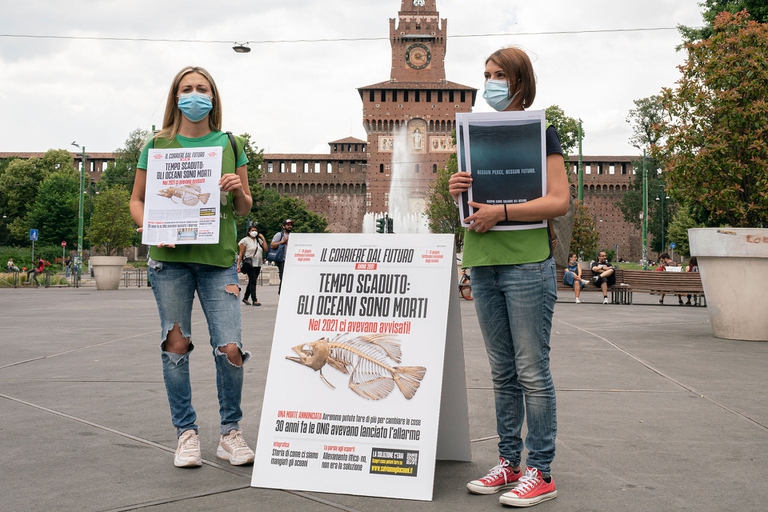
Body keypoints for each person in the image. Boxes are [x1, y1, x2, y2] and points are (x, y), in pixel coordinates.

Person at [449, 47, 568, 508]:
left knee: (532, 371)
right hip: (483, 259)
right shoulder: (469, 135)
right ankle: (509, 463)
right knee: (502, 372)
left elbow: (559, 200)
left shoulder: (544, 133)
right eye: (486, 75)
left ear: (520, 81)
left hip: (526, 260)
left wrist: (502, 211)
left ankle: (541, 471)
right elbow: (468, 208)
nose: (490, 83)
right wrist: (456, 190)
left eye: (500, 75)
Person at [129, 66, 255, 468]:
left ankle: (230, 433)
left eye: (202, 89)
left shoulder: (230, 143)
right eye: (187, 89)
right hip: (170, 263)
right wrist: (151, 226)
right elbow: (137, 200)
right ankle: (186, 433)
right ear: (175, 96)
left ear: (213, 97)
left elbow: (245, 206)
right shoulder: (155, 143)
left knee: (230, 348)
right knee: (176, 347)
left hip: (218, 262)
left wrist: (239, 190)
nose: (195, 95)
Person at [238, 224, 267, 306]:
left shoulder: (259, 241)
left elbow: (265, 249)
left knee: (252, 281)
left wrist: (263, 238)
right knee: (253, 281)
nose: (254, 232)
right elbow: (241, 253)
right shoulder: (244, 240)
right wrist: (238, 264)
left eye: (256, 230)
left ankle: (245, 298)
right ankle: (254, 300)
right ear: (249, 232)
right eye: (252, 230)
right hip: (250, 264)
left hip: (258, 263)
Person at [270, 219, 292, 295]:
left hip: (291, 260)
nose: (290, 226)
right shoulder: (279, 235)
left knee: (289, 279)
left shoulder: (293, 236)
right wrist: (282, 242)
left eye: (291, 225)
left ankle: (283, 293)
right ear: (283, 226)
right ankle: (282, 293)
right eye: (288, 225)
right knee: (283, 278)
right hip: (282, 259)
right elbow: (272, 245)